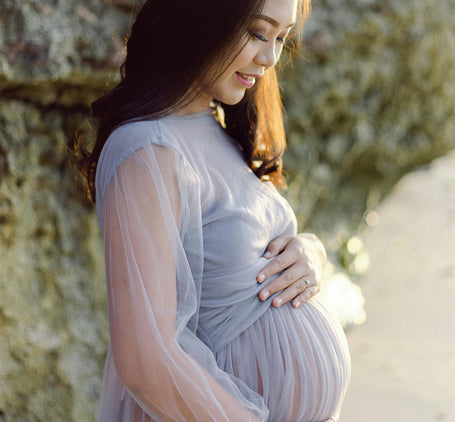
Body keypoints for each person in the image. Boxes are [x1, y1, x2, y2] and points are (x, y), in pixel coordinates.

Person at [77, 0, 351, 420]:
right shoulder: (147, 149)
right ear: (201, 15)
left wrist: (310, 253)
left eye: (281, 38)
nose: (270, 57)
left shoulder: (216, 125)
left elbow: (239, 260)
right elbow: (147, 361)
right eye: (259, 33)